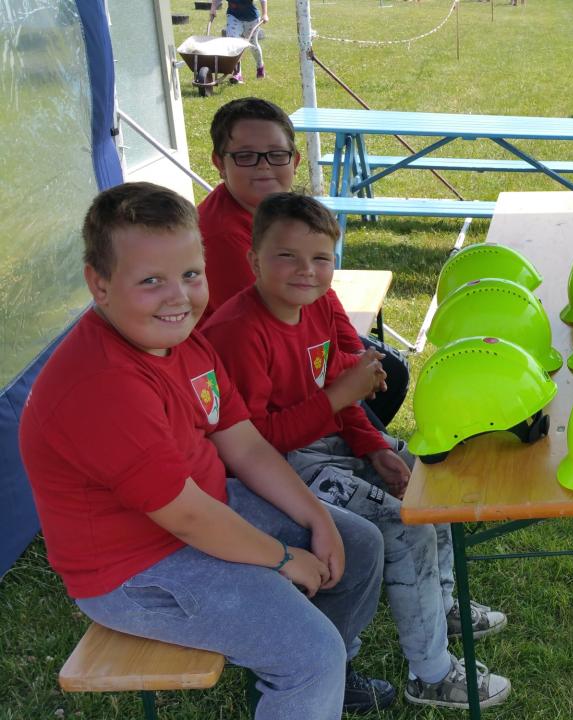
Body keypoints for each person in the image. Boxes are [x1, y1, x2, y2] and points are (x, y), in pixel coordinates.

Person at [19, 182, 396, 717]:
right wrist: (283, 557)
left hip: (205, 506)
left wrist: (317, 517)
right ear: (99, 285)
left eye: (191, 275)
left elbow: (244, 444)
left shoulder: (180, 336)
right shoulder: (102, 384)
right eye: (151, 280)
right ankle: (308, 675)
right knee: (310, 655)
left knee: (356, 543)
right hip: (135, 567)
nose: (179, 297)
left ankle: (319, 682)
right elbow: (188, 518)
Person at [202, 193, 511, 710]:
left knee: (429, 480)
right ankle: (431, 675)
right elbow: (253, 444)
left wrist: (372, 446)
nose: (306, 270)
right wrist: (337, 399)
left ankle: (441, 604)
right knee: (404, 525)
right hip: (281, 468)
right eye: (287, 257)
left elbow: (339, 390)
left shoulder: (320, 305)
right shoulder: (237, 332)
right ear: (254, 260)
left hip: (331, 442)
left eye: (320, 258)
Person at [197, 97, 408, 427]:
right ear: (219, 163)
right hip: (248, 371)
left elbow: (321, 296)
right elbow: (284, 337)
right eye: (246, 156)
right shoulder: (222, 237)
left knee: (388, 368)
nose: (264, 166)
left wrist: (356, 354)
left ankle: (360, 440)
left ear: (294, 160)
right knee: (379, 377)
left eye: (276, 154)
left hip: (292, 339)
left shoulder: (279, 215)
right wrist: (351, 369)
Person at [209, 0, 267, 81]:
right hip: (234, 16)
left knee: (253, 44)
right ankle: (237, 73)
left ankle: (260, 66)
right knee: (233, 43)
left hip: (251, 18)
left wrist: (264, 14)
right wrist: (213, 8)